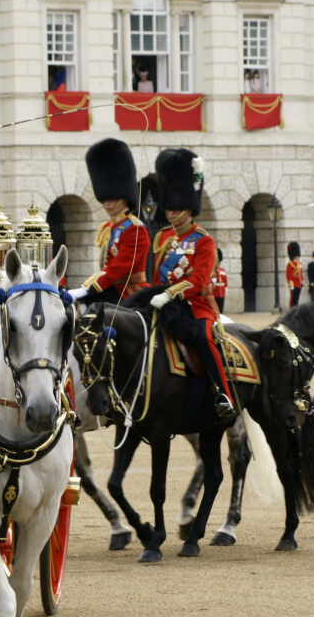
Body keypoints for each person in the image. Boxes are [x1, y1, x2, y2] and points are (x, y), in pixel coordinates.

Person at [149, 147, 236, 421]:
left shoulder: (204, 241)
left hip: (195, 306)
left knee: (204, 337)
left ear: (190, 208)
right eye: (170, 207)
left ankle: (222, 393)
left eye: (177, 208)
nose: (172, 213)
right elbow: (155, 278)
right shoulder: (162, 239)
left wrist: (170, 294)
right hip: (163, 304)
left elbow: (198, 281)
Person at [68, 138, 150, 304]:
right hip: (109, 288)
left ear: (124, 197)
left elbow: (118, 268)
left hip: (130, 292)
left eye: (111, 198)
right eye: (104, 198)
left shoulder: (135, 230)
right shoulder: (108, 227)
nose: (107, 202)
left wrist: (87, 287)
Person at [285, 241, 303, 308]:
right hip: (293, 284)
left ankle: (295, 309)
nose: (298, 257)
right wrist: (290, 283)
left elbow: (301, 274)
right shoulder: (290, 264)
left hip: (298, 284)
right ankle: (291, 309)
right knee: (293, 299)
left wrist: (302, 281)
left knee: (297, 299)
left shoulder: (299, 264)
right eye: (297, 256)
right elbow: (288, 275)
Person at [210, 248, 228, 313]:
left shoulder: (222, 271)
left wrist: (225, 292)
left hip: (221, 294)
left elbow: (225, 283)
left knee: (220, 311)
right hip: (214, 294)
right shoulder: (212, 271)